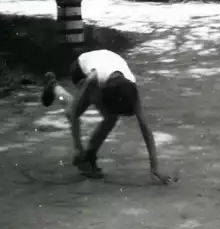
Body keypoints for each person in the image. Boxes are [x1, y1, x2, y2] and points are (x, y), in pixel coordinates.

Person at [40, 49, 172, 183]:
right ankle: (55, 87)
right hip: (80, 68)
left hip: (105, 63)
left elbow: (145, 126)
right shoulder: (93, 81)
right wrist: (78, 148)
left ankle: (90, 155)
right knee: (78, 109)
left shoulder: (130, 88)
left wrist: (155, 167)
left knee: (111, 117)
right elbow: (73, 114)